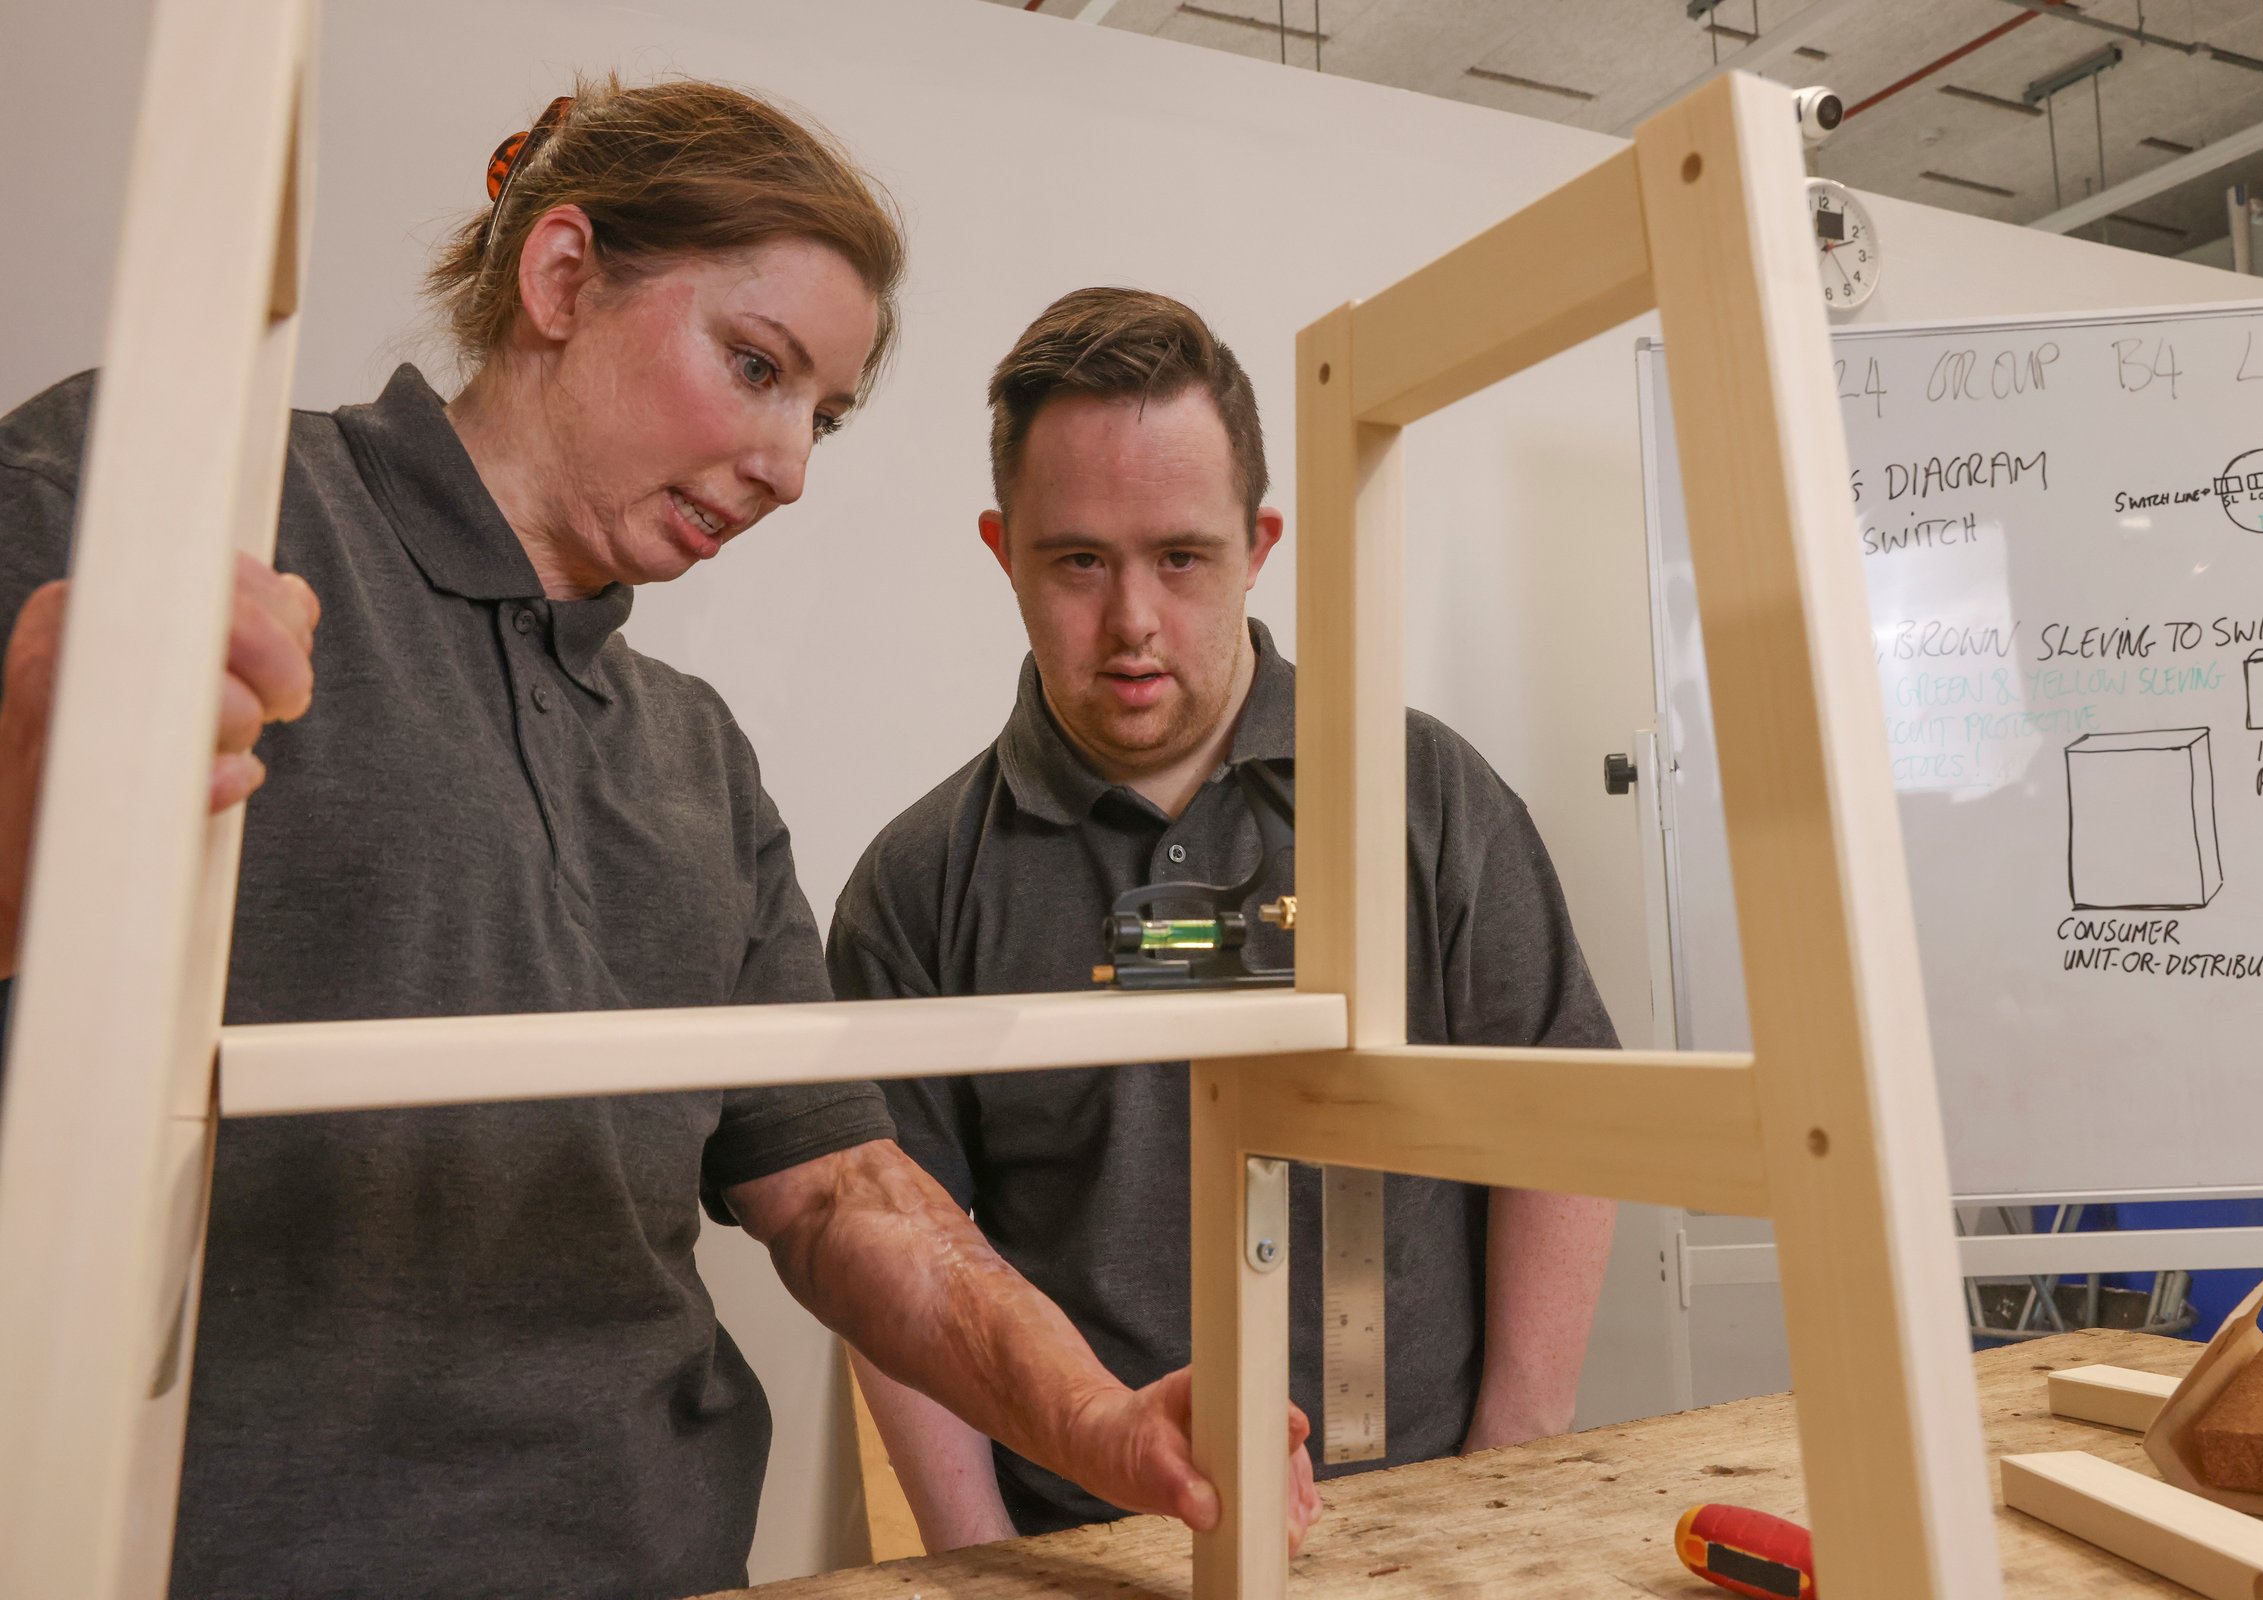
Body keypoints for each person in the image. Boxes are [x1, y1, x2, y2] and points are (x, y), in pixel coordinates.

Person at [0, 84, 1308, 1599]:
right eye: (755, 366)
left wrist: (1095, 1419)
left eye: (821, 416)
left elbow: (837, 1191)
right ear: (561, 277)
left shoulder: (695, 758)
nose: (791, 465)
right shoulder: (174, 494)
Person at [829, 287, 1621, 1549]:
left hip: (1423, 1510)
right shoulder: (918, 888)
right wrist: (981, 1555)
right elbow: (895, 1258)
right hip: (1084, 1541)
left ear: (1259, 544)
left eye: (1181, 558)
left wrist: (1501, 1480)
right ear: (1002, 550)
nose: (1133, 621)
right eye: (1079, 561)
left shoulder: (1424, 794)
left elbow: (1562, 1120)